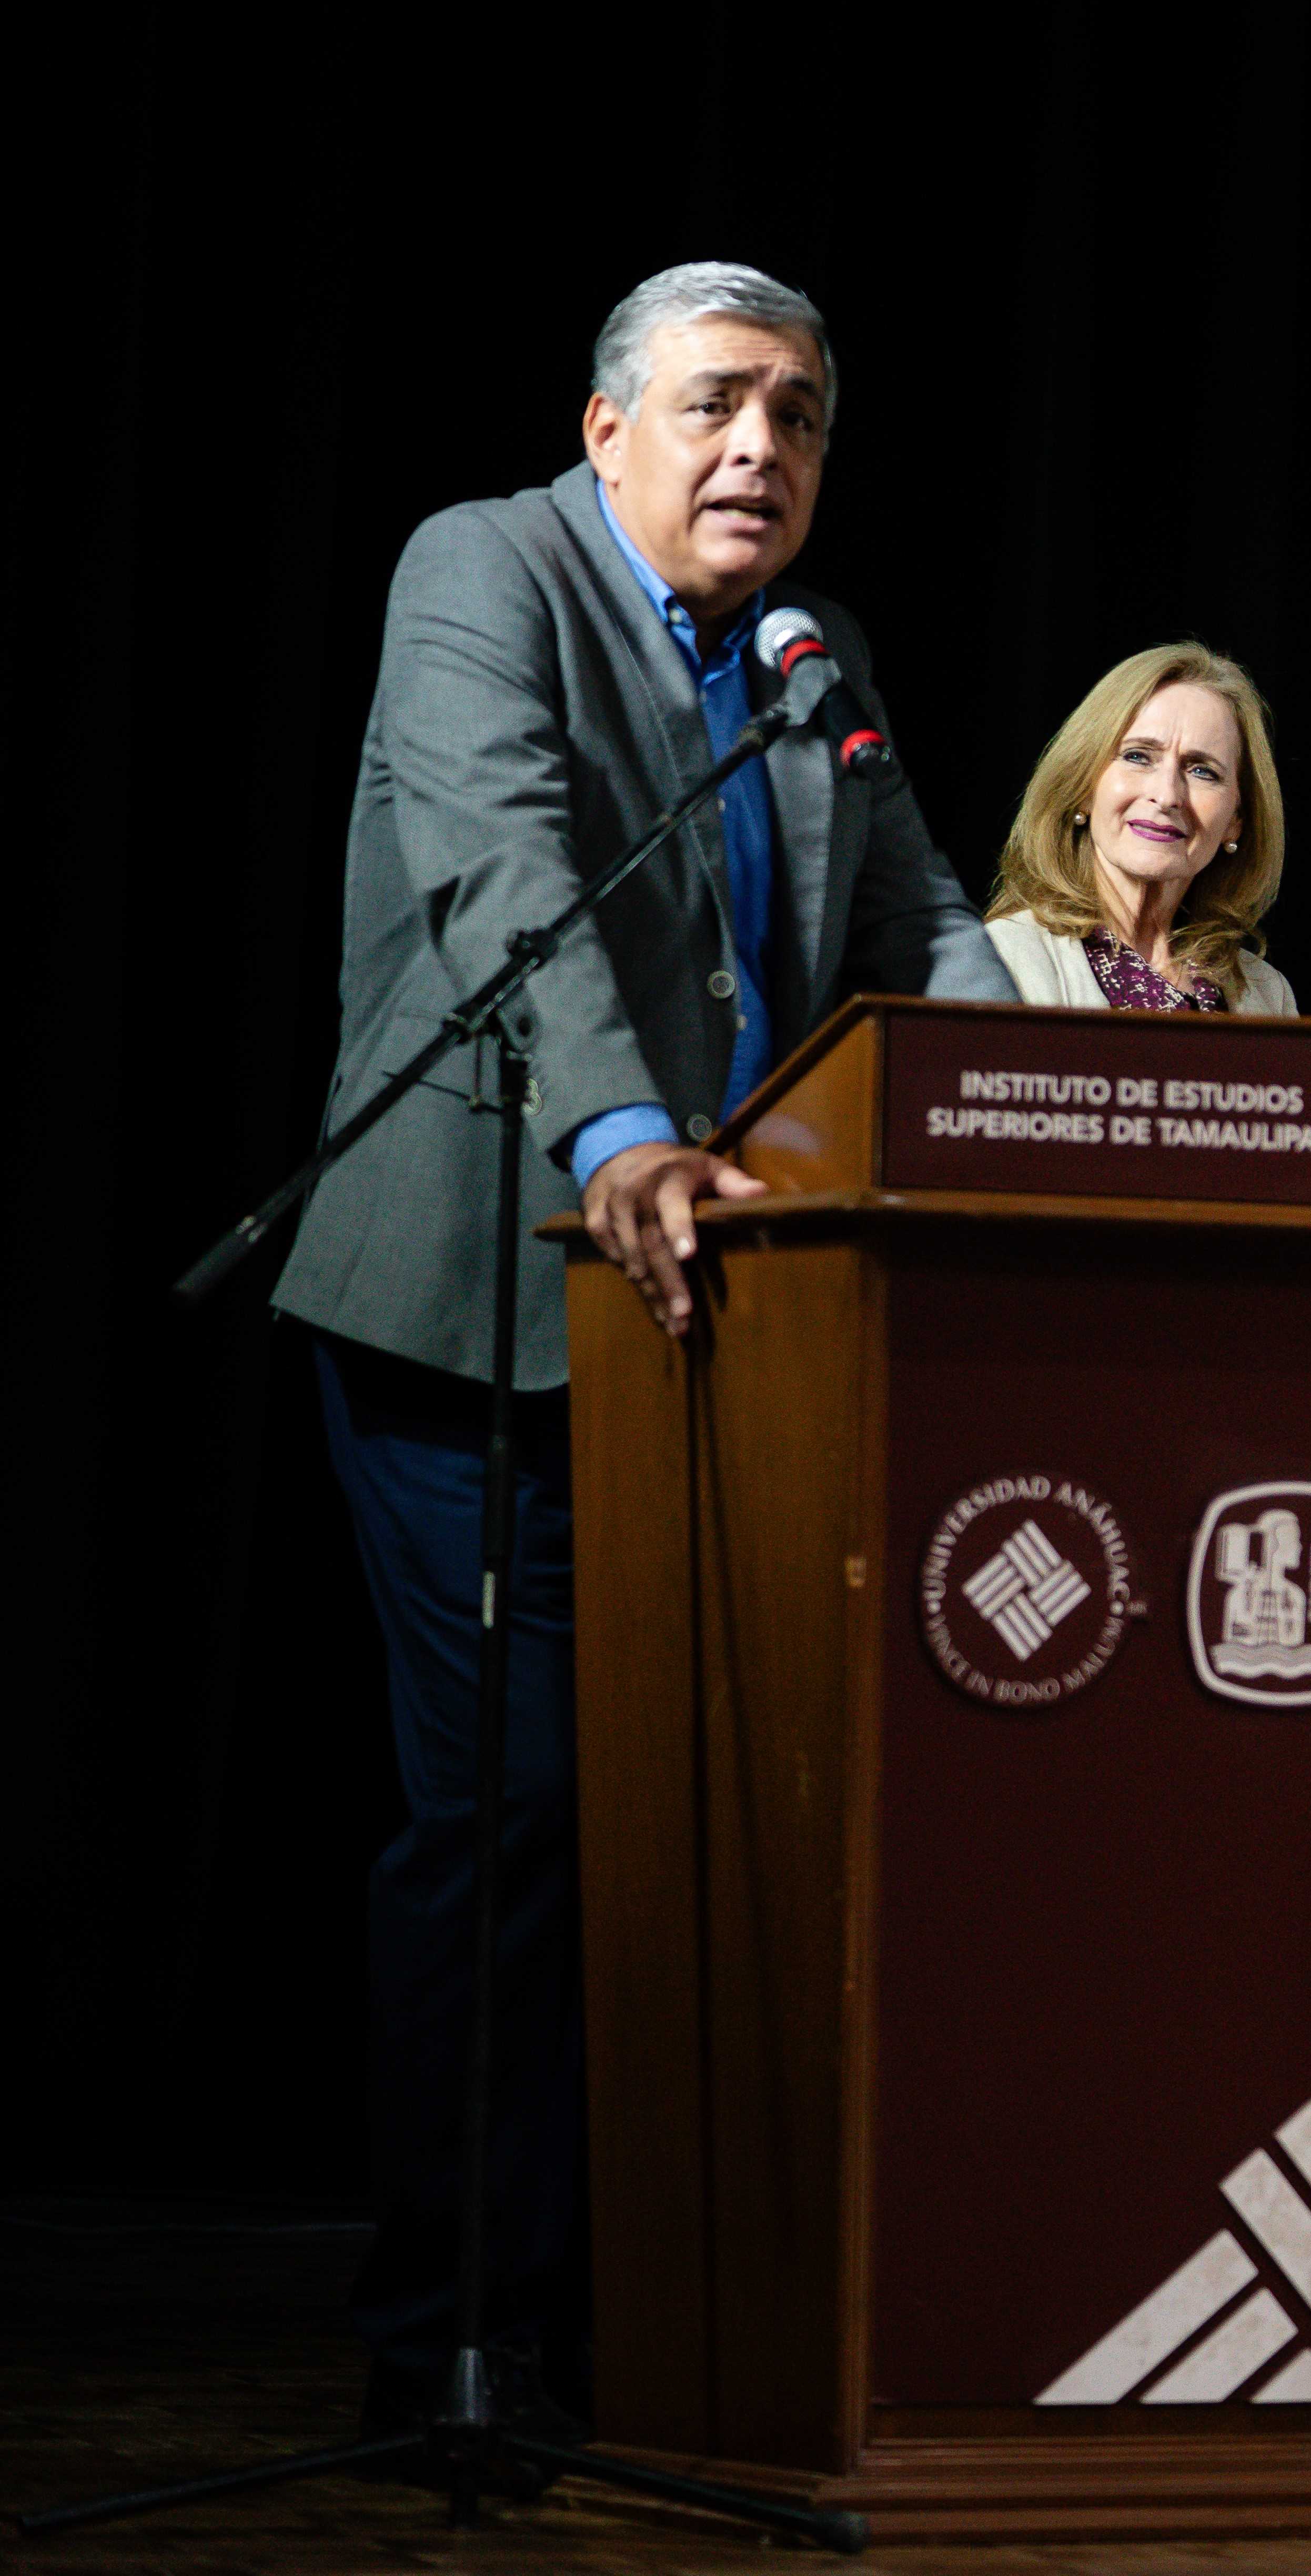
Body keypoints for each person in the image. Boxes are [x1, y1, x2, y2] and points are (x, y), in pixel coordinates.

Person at [270, 263, 1009, 2450]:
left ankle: (662, 2326)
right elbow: (499, 864)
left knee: (701, 1836)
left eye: (796, 413)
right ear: (609, 431)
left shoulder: (816, 653)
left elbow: (914, 925)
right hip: (477, 1316)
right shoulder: (479, 568)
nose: (759, 448)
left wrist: (1077, 1096)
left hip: (737, 1337)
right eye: (715, 404)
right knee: (514, 1828)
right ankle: (464, 2350)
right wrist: (613, 1128)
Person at [982, 643, 1297, 1011]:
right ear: (1084, 787)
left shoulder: (1269, 995)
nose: (1166, 795)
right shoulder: (1003, 959)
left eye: (1202, 771)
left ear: (1235, 822)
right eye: (1138, 757)